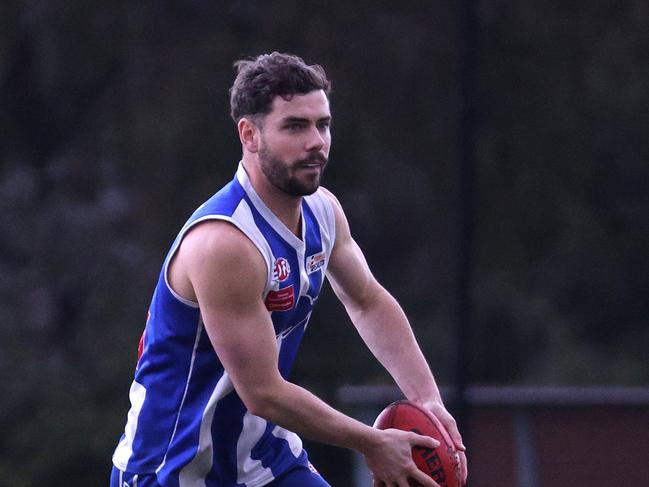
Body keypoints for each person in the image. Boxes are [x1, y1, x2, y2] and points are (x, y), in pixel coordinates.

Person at [111, 51, 467, 487]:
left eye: (323, 124)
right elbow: (263, 393)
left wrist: (427, 399)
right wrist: (372, 443)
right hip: (174, 469)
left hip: (266, 461)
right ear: (250, 134)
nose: (316, 141)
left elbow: (367, 300)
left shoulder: (323, 212)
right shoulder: (227, 243)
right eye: (295, 126)